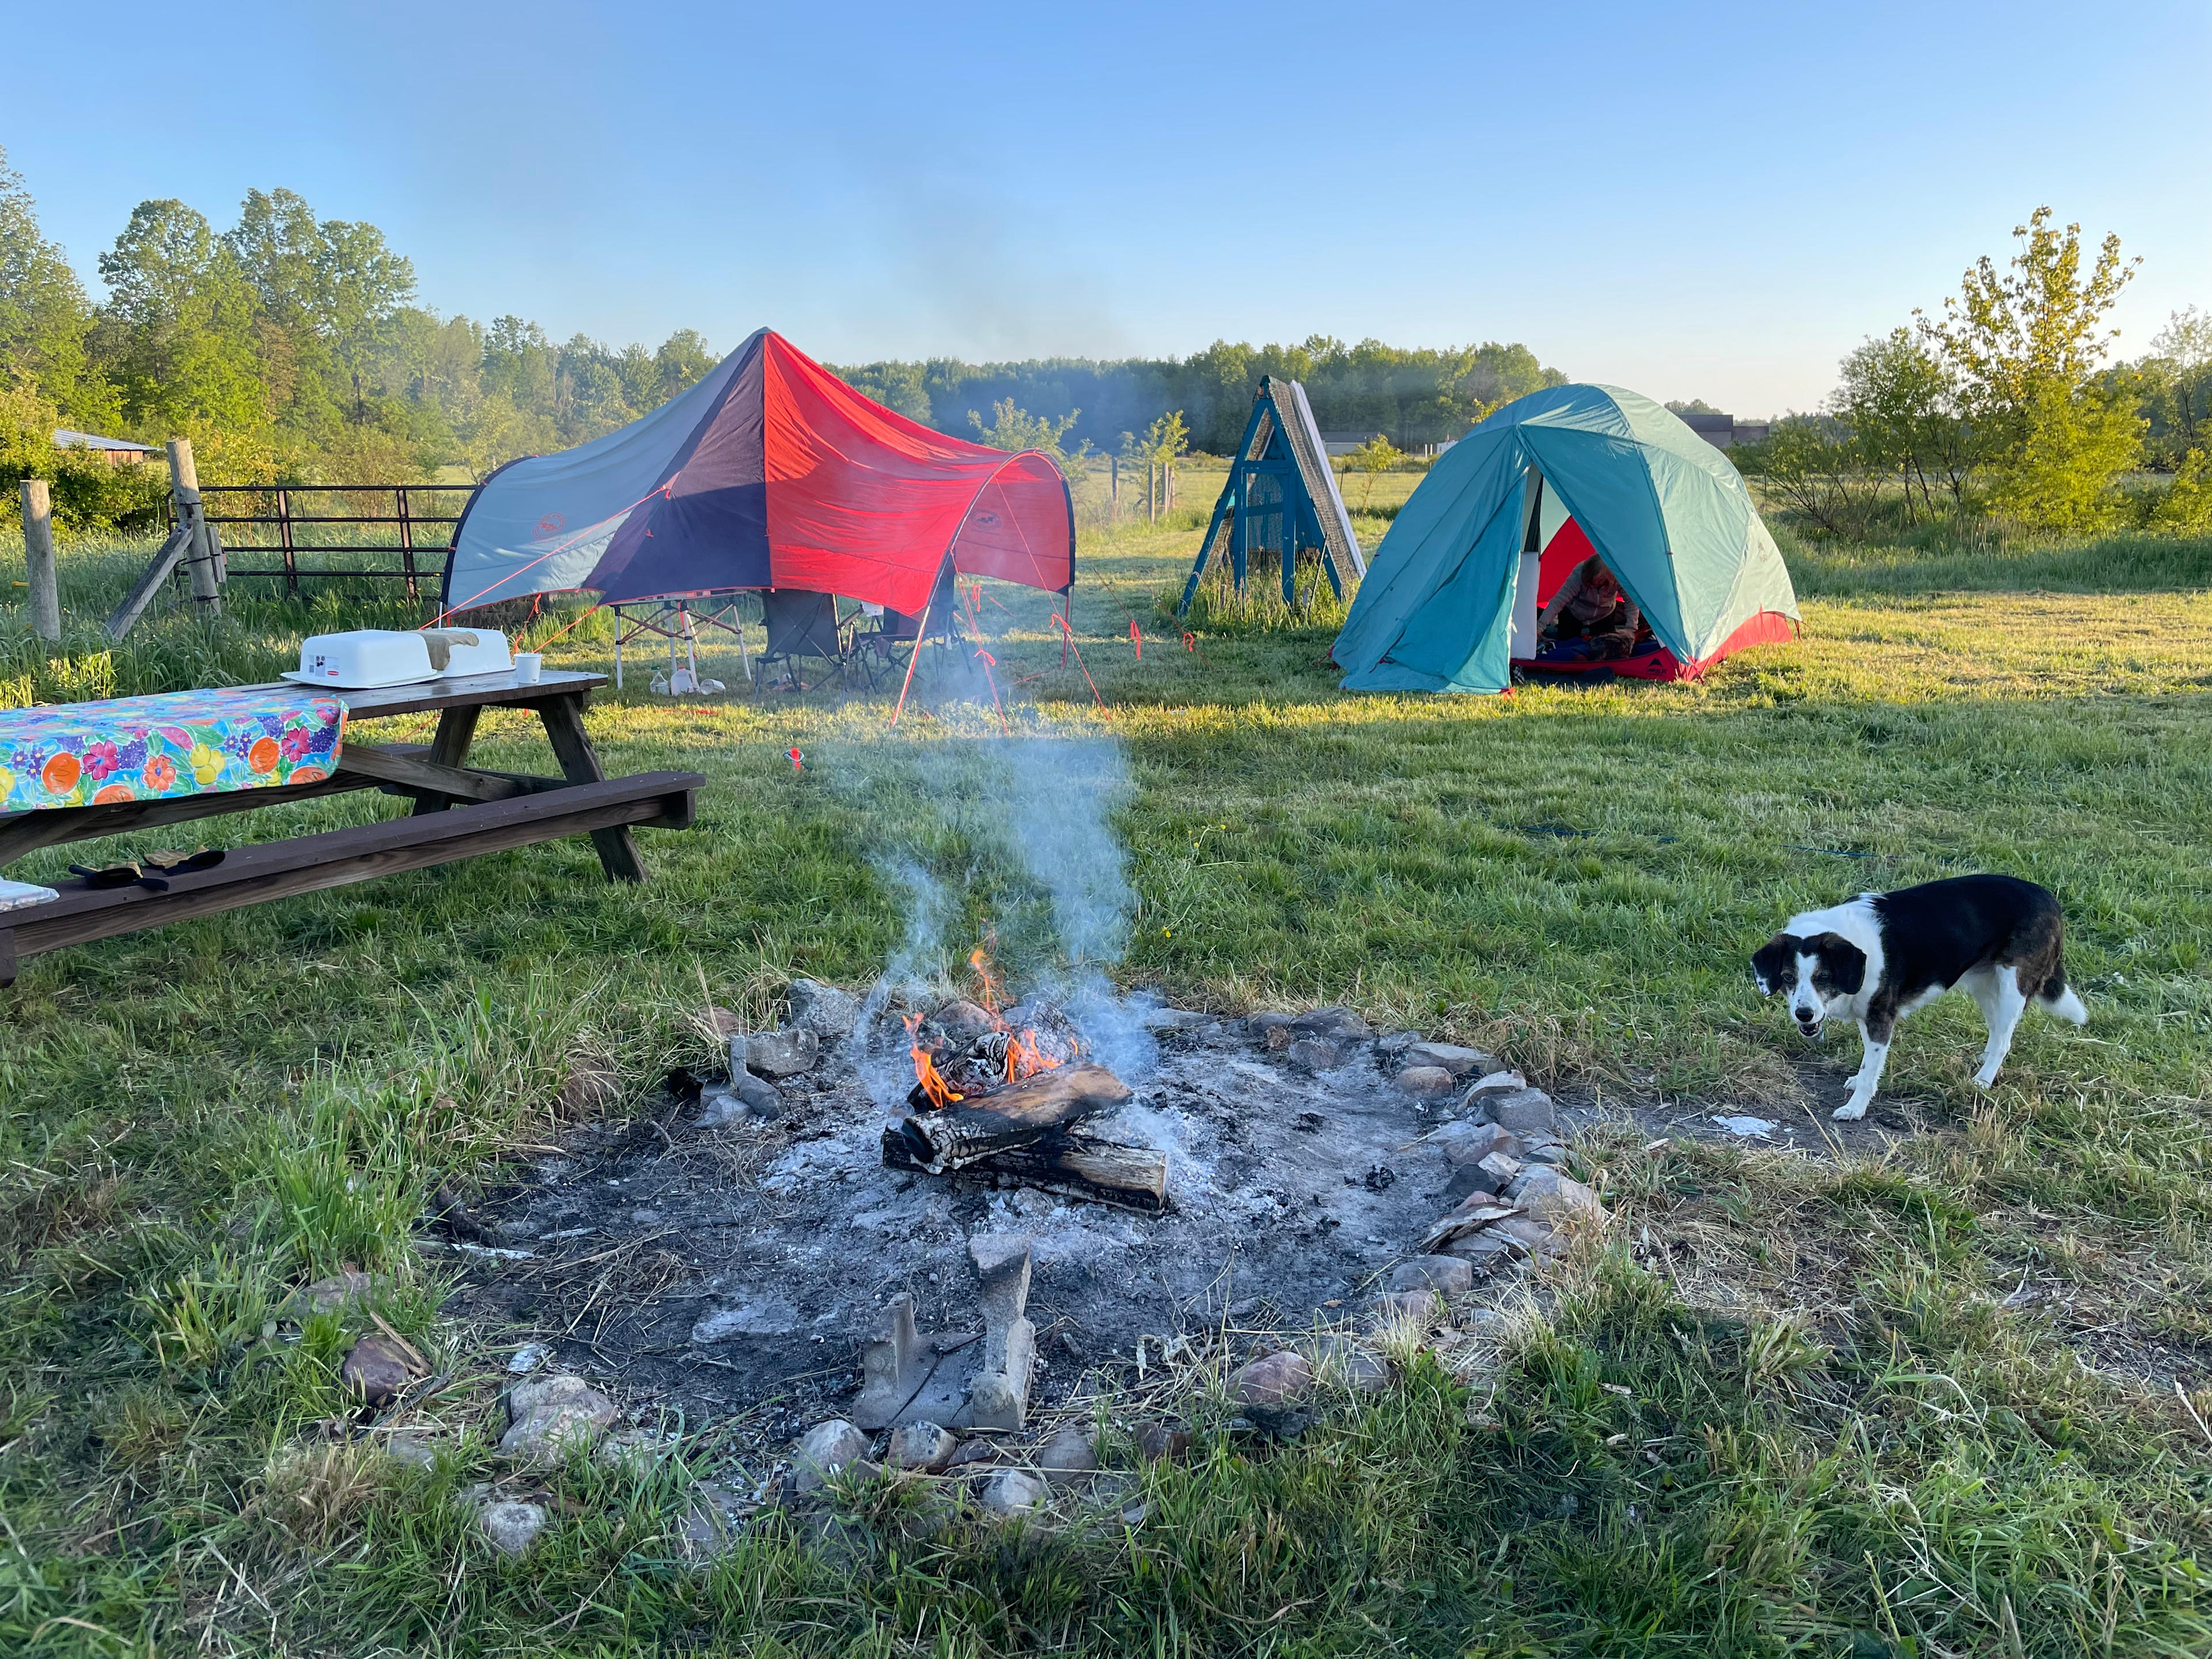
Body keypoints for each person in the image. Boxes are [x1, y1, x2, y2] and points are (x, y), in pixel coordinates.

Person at [1537, 555, 1641, 658]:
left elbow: (1631, 601)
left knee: (1606, 649)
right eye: (1590, 582)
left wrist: (1631, 630)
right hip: (1574, 613)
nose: (1593, 585)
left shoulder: (1617, 574)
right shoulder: (1578, 574)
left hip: (1604, 614)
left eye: (1599, 582)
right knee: (1568, 645)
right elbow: (1558, 601)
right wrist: (1540, 626)